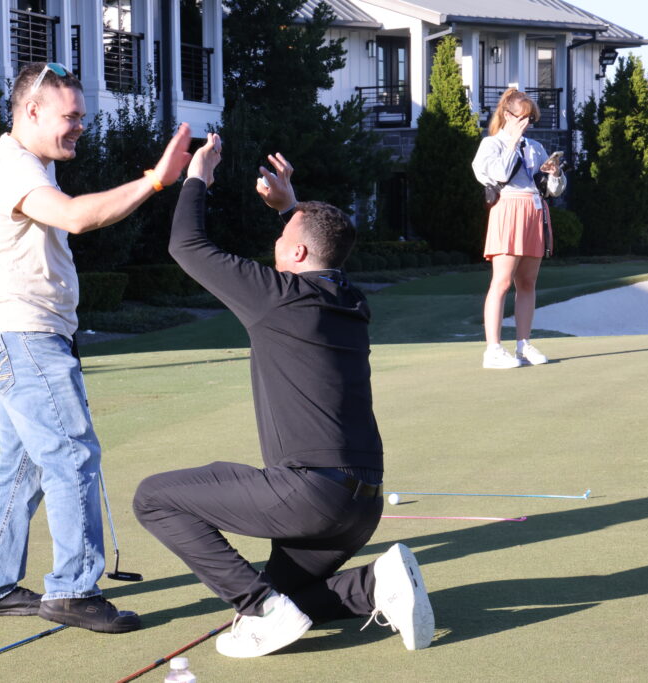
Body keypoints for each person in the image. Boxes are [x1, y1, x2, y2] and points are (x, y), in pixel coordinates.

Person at [133, 134, 434, 658]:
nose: (275, 249)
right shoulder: (352, 301)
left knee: (153, 498)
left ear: (294, 252)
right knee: (296, 597)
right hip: (362, 505)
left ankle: (260, 607)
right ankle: (373, 586)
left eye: (284, 238)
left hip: (309, 497)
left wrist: (198, 175)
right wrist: (291, 207)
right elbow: (322, 245)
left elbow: (186, 246)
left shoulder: (279, 297)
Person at [0, 61, 191, 634]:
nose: (80, 126)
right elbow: (75, 219)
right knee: (70, 457)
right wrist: (156, 180)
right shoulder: (13, 168)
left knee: (23, 468)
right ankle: (72, 590)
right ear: (32, 112)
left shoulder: (28, 163)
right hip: (24, 336)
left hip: (20, 335)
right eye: (71, 116)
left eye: (83, 116)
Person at [472, 88, 566, 369]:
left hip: (534, 210)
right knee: (501, 281)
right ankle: (493, 349)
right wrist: (512, 141)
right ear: (507, 115)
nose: (526, 124)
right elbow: (498, 174)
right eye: (522, 118)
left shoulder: (535, 147)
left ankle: (524, 344)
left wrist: (554, 173)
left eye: (530, 120)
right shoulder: (492, 144)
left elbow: (552, 191)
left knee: (528, 282)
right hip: (508, 209)